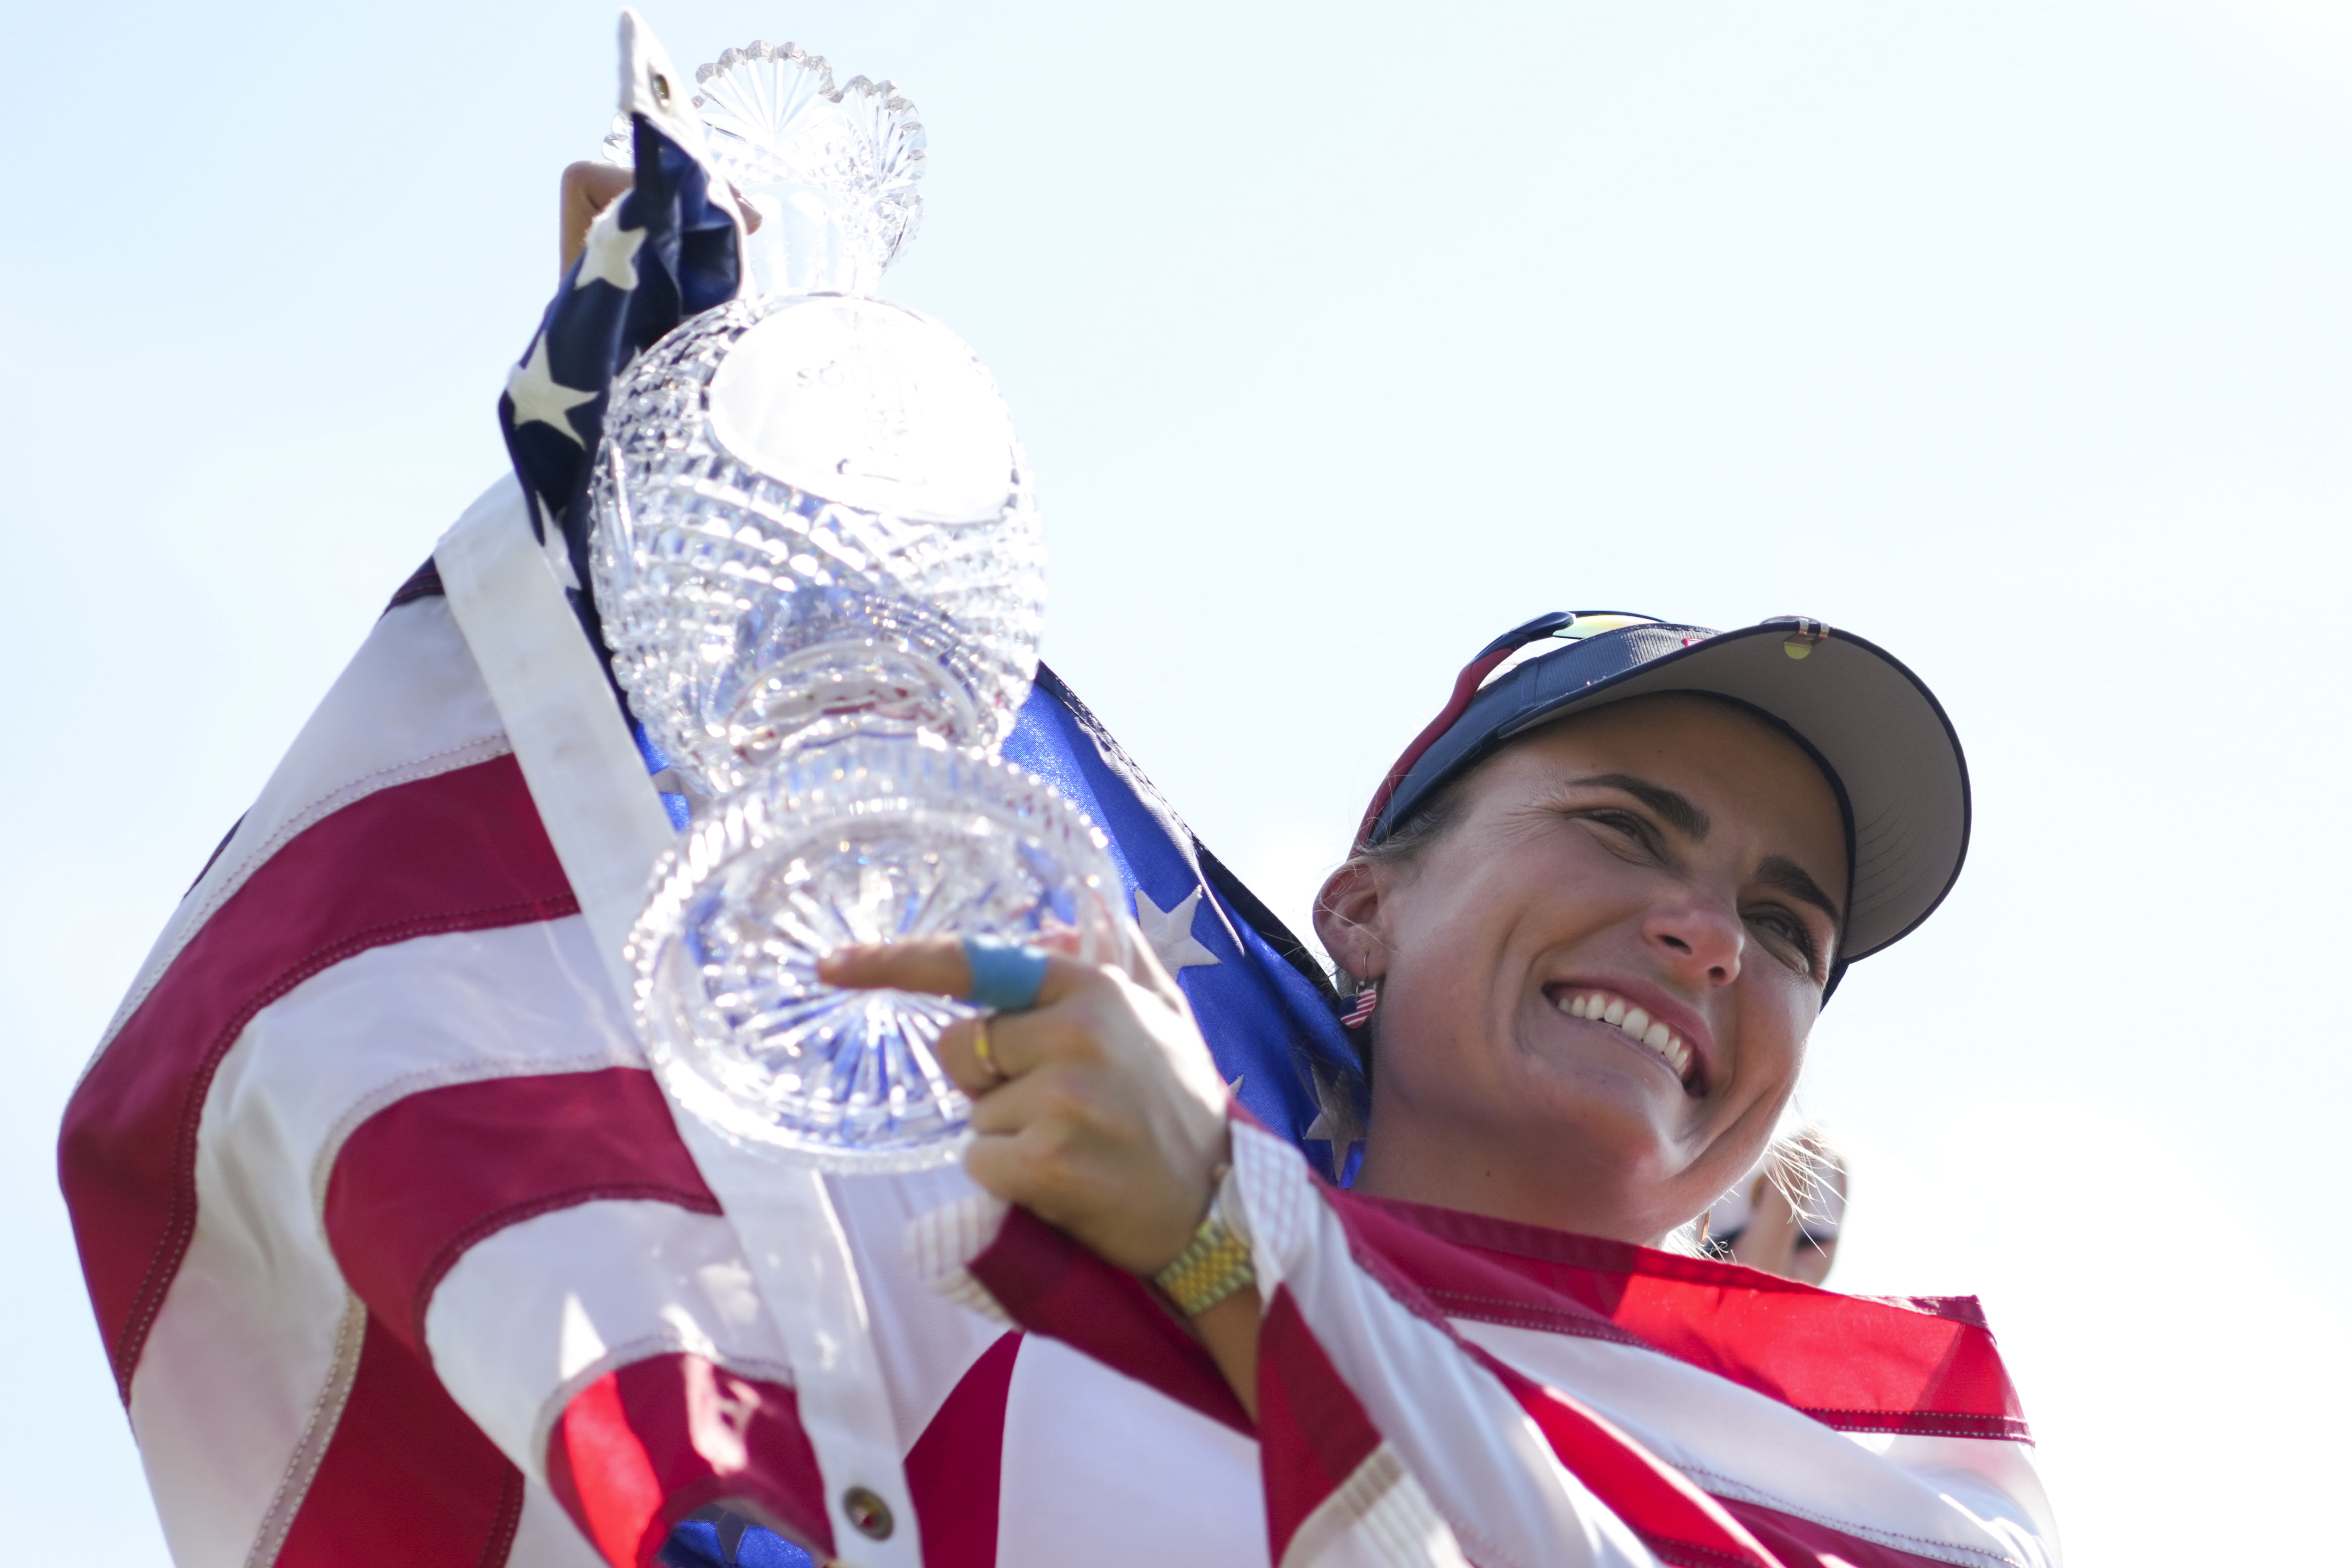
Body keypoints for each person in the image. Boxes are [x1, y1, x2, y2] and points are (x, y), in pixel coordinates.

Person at [59, 25, 2054, 1568]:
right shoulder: (1002, 1221)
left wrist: (1224, 1240)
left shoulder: (1892, 1469)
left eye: (1791, 927)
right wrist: (667, 537)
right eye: (1624, 831)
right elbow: (690, 1256)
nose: (1712, 930)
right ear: (1361, 914)